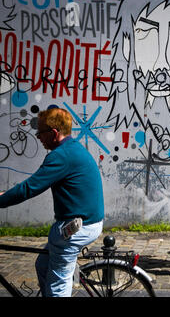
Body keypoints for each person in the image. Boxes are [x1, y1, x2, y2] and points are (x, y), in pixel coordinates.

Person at [0, 108, 104, 297]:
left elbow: (30, 188)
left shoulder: (60, 156)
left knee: (58, 284)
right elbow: (30, 186)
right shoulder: (72, 148)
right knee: (43, 264)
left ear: (54, 133)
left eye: (40, 133)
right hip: (87, 222)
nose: (38, 137)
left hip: (77, 228)